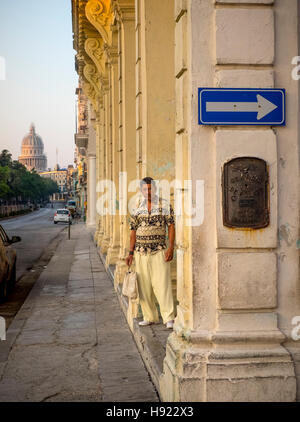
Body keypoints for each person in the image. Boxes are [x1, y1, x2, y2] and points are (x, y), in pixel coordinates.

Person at [125, 177, 175, 329]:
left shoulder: (164, 204)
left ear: (155, 189)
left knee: (163, 285)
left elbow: (171, 226)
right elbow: (133, 231)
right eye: (145, 189)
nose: (148, 191)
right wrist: (131, 253)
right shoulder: (136, 206)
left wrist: (170, 247)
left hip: (159, 250)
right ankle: (150, 316)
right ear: (141, 190)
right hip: (140, 253)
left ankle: (168, 318)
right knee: (144, 287)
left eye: (151, 188)